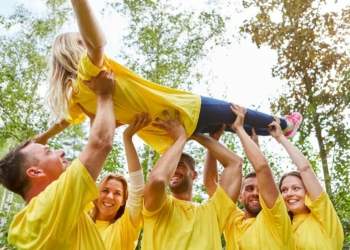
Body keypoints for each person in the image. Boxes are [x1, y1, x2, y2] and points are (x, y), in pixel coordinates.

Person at [34, 0, 303, 154]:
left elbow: (65, 122)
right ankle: (282, 124)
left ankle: (272, 131)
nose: (86, 45)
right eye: (81, 42)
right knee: (236, 112)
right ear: (74, 51)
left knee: (234, 125)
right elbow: (98, 44)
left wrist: (44, 138)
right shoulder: (89, 73)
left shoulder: (77, 98)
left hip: (170, 131)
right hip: (183, 108)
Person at [0, 71, 116, 250]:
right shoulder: (48, 209)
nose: (61, 152)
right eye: (49, 152)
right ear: (35, 172)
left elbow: (95, 150)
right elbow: (100, 143)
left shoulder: (55, 212)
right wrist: (104, 94)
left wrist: (97, 116)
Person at [141, 109, 242, 250]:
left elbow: (235, 163)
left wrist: (197, 135)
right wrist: (180, 138)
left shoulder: (212, 211)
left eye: (180, 165)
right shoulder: (160, 206)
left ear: (194, 175)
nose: (174, 169)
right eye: (172, 166)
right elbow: (157, 180)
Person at [204, 104, 293, 249]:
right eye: (249, 189)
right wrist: (213, 140)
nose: (255, 193)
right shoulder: (233, 220)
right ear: (240, 195)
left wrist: (239, 129)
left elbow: (262, 168)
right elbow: (210, 182)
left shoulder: (275, 219)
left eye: (259, 189)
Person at [270, 119, 344, 249]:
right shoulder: (283, 228)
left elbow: (305, 169)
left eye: (296, 188)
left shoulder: (324, 218)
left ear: (308, 193)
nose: (289, 194)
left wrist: (280, 137)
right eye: (284, 190)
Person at [88, 113, 150, 249]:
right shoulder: (81, 222)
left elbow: (138, 188)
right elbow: (84, 173)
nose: (110, 196)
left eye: (117, 193)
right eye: (105, 190)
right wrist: (96, 124)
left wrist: (127, 137)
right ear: (95, 194)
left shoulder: (125, 227)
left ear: (123, 201)